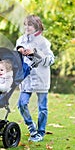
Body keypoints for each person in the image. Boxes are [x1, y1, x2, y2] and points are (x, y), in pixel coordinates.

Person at [16, 14, 54, 142]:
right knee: (22, 104)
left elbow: (50, 60)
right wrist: (20, 50)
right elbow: (15, 54)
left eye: (30, 24)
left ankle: (40, 132)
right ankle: (32, 128)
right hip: (26, 78)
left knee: (42, 108)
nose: (27, 27)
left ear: (36, 26)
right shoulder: (21, 39)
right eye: (26, 24)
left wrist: (35, 53)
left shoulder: (43, 42)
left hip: (41, 77)